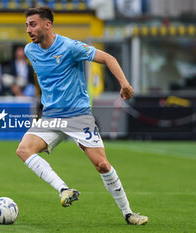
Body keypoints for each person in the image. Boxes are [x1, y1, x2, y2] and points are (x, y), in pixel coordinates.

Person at [16, 6, 148, 225]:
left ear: (47, 24)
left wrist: (124, 83)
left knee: (102, 165)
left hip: (78, 116)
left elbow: (109, 58)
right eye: (27, 25)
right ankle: (64, 189)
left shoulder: (70, 47)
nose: (29, 29)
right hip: (51, 117)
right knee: (23, 150)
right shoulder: (31, 51)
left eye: (33, 24)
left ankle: (128, 213)